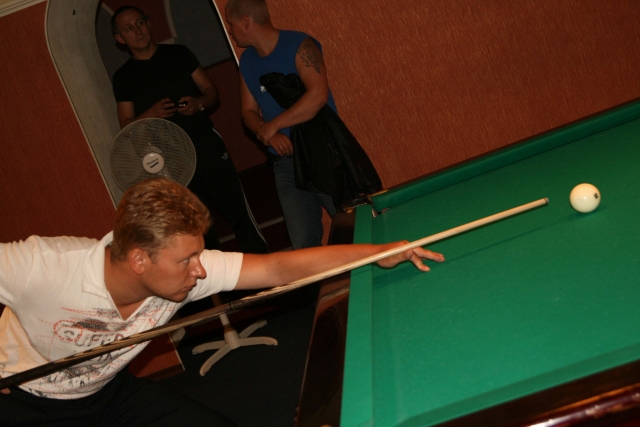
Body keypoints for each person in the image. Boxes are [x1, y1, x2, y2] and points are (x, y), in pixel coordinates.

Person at [0, 178, 445, 426]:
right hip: (24, 402)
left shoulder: (188, 269)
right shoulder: (45, 266)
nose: (200, 271)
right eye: (186, 260)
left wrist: (375, 253)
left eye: (199, 254)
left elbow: (276, 269)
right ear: (138, 259)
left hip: (108, 392)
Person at [111, 5, 268, 254]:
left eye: (140, 23)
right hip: (170, 160)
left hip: (205, 142)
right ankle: (215, 276)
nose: (137, 31)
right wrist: (150, 114)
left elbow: (211, 91)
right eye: (129, 28)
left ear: (149, 24)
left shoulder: (178, 54)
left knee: (237, 209)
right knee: (199, 225)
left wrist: (199, 104)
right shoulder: (123, 77)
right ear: (120, 38)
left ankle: (262, 262)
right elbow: (126, 126)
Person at [226, 0, 381, 249]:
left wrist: (273, 125)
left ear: (246, 21)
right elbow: (248, 112)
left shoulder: (300, 44)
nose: (230, 31)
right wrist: (268, 134)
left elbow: (317, 96)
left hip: (322, 154)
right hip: (285, 164)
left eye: (231, 24)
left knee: (355, 227)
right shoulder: (247, 61)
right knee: (303, 244)